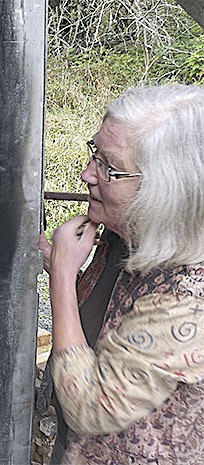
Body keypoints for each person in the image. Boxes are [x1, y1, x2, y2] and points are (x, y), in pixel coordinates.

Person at [39, 84, 204, 464]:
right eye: (94, 154)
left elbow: (89, 406)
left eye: (108, 167)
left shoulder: (189, 304)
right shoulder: (131, 231)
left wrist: (62, 276)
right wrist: (56, 257)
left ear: (165, 189)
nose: (86, 174)